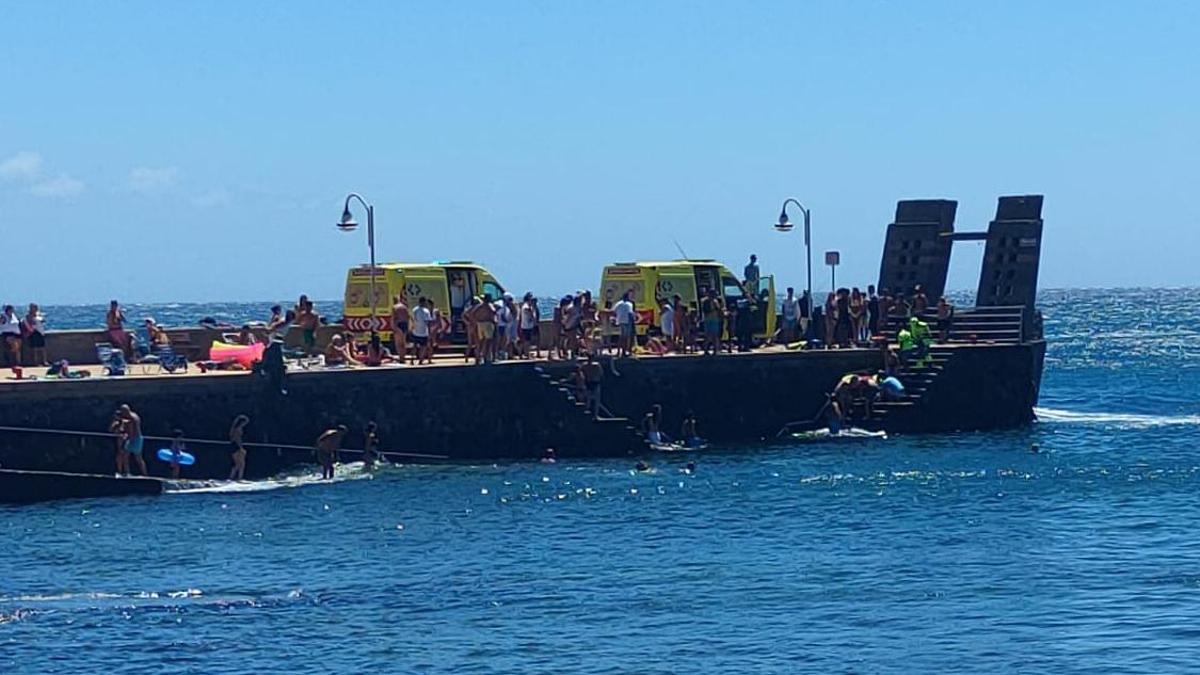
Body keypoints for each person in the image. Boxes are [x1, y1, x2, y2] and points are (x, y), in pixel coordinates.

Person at [117, 404, 146, 476]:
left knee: (138, 458)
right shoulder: (128, 417)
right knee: (125, 456)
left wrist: (128, 439)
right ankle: (127, 472)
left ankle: (144, 474)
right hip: (132, 438)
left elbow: (132, 429)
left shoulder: (133, 418)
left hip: (135, 439)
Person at [581, 353, 606, 418]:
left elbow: (582, 374)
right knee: (597, 400)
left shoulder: (584, 365)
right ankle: (596, 415)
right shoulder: (597, 365)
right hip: (595, 383)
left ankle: (586, 411)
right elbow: (601, 374)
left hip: (588, 383)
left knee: (588, 399)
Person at [411, 297, 434, 365]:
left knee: (414, 346)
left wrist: (412, 328)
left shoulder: (414, 310)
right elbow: (428, 322)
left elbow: (412, 319)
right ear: (424, 302)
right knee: (423, 347)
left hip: (416, 331)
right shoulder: (426, 311)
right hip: (424, 332)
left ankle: (412, 360)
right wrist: (429, 332)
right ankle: (420, 360)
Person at [613, 291, 636, 358]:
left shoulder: (618, 303)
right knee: (626, 337)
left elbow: (614, 311)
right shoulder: (629, 304)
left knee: (621, 337)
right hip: (627, 321)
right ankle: (624, 352)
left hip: (620, 321)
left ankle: (618, 352)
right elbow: (630, 313)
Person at [228, 414, 250, 480]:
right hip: (237, 446)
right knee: (242, 463)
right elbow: (238, 439)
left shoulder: (232, 429)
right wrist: (241, 448)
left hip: (232, 445)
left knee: (236, 464)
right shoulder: (238, 429)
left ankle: (231, 477)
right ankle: (240, 478)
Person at [390, 295, 410, 363]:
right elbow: (408, 317)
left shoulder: (395, 307)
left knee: (398, 343)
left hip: (398, 324)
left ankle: (400, 358)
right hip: (404, 324)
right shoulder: (405, 307)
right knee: (403, 343)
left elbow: (393, 318)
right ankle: (403, 357)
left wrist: (393, 327)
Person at [519, 293, 540, 359]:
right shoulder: (526, 307)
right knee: (526, 341)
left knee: (527, 341)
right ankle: (526, 354)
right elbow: (530, 314)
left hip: (528, 326)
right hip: (526, 326)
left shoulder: (529, 306)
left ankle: (524, 354)